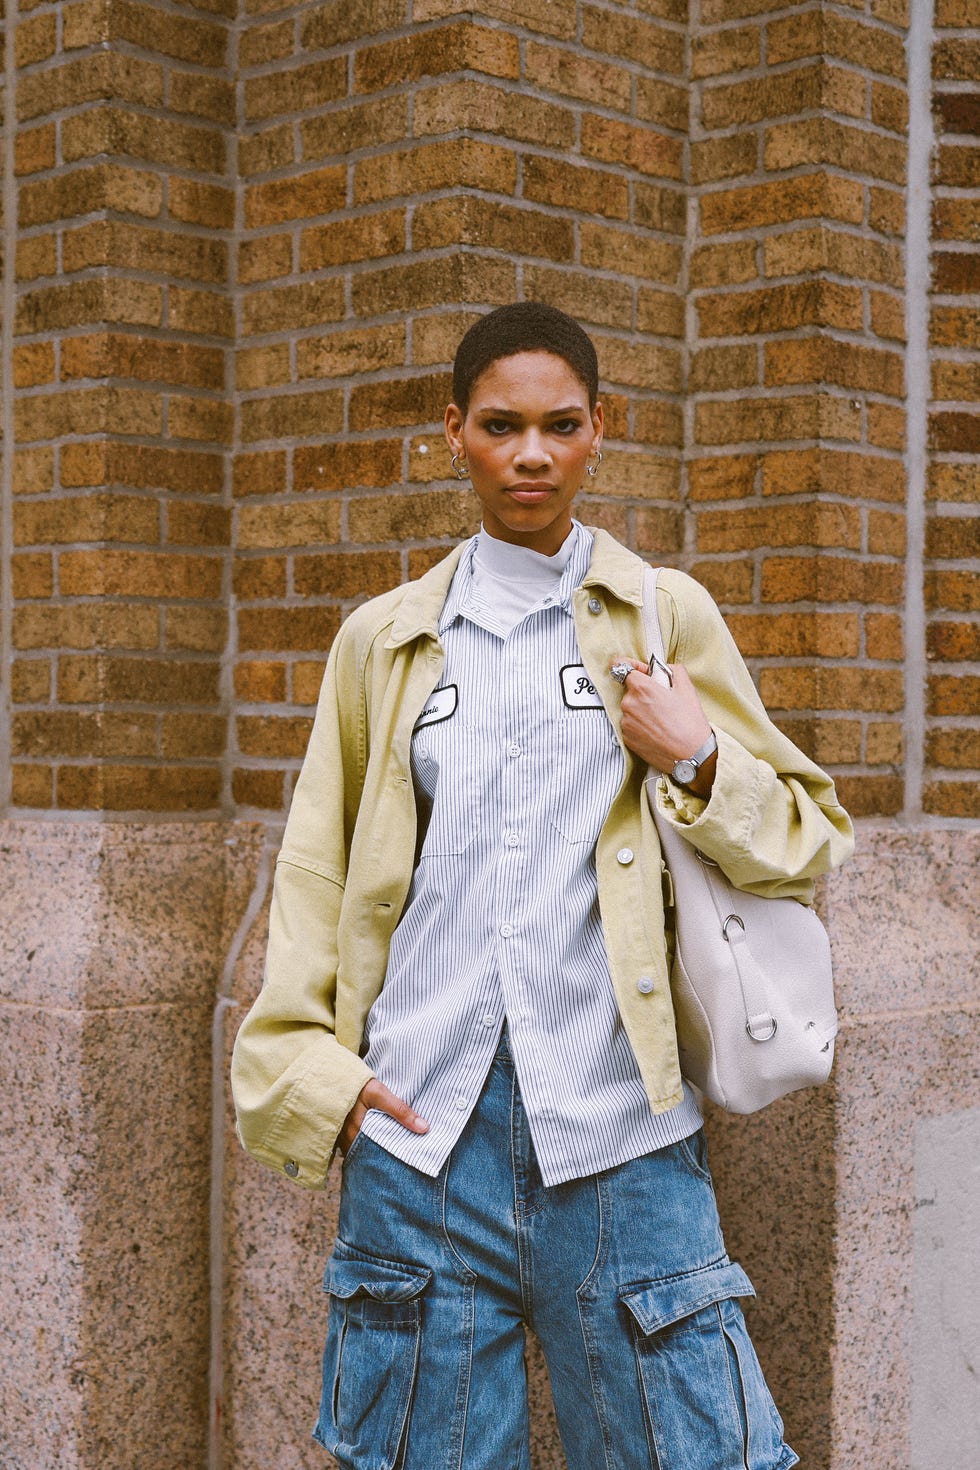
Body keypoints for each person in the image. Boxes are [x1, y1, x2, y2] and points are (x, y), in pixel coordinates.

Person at [231, 301, 854, 1470]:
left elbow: (805, 841)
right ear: (453, 432)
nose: (530, 454)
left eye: (559, 426)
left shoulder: (665, 614)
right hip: (422, 1138)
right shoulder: (383, 640)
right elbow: (314, 871)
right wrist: (320, 1078)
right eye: (501, 426)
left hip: (621, 1133)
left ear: (599, 430)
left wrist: (698, 757)